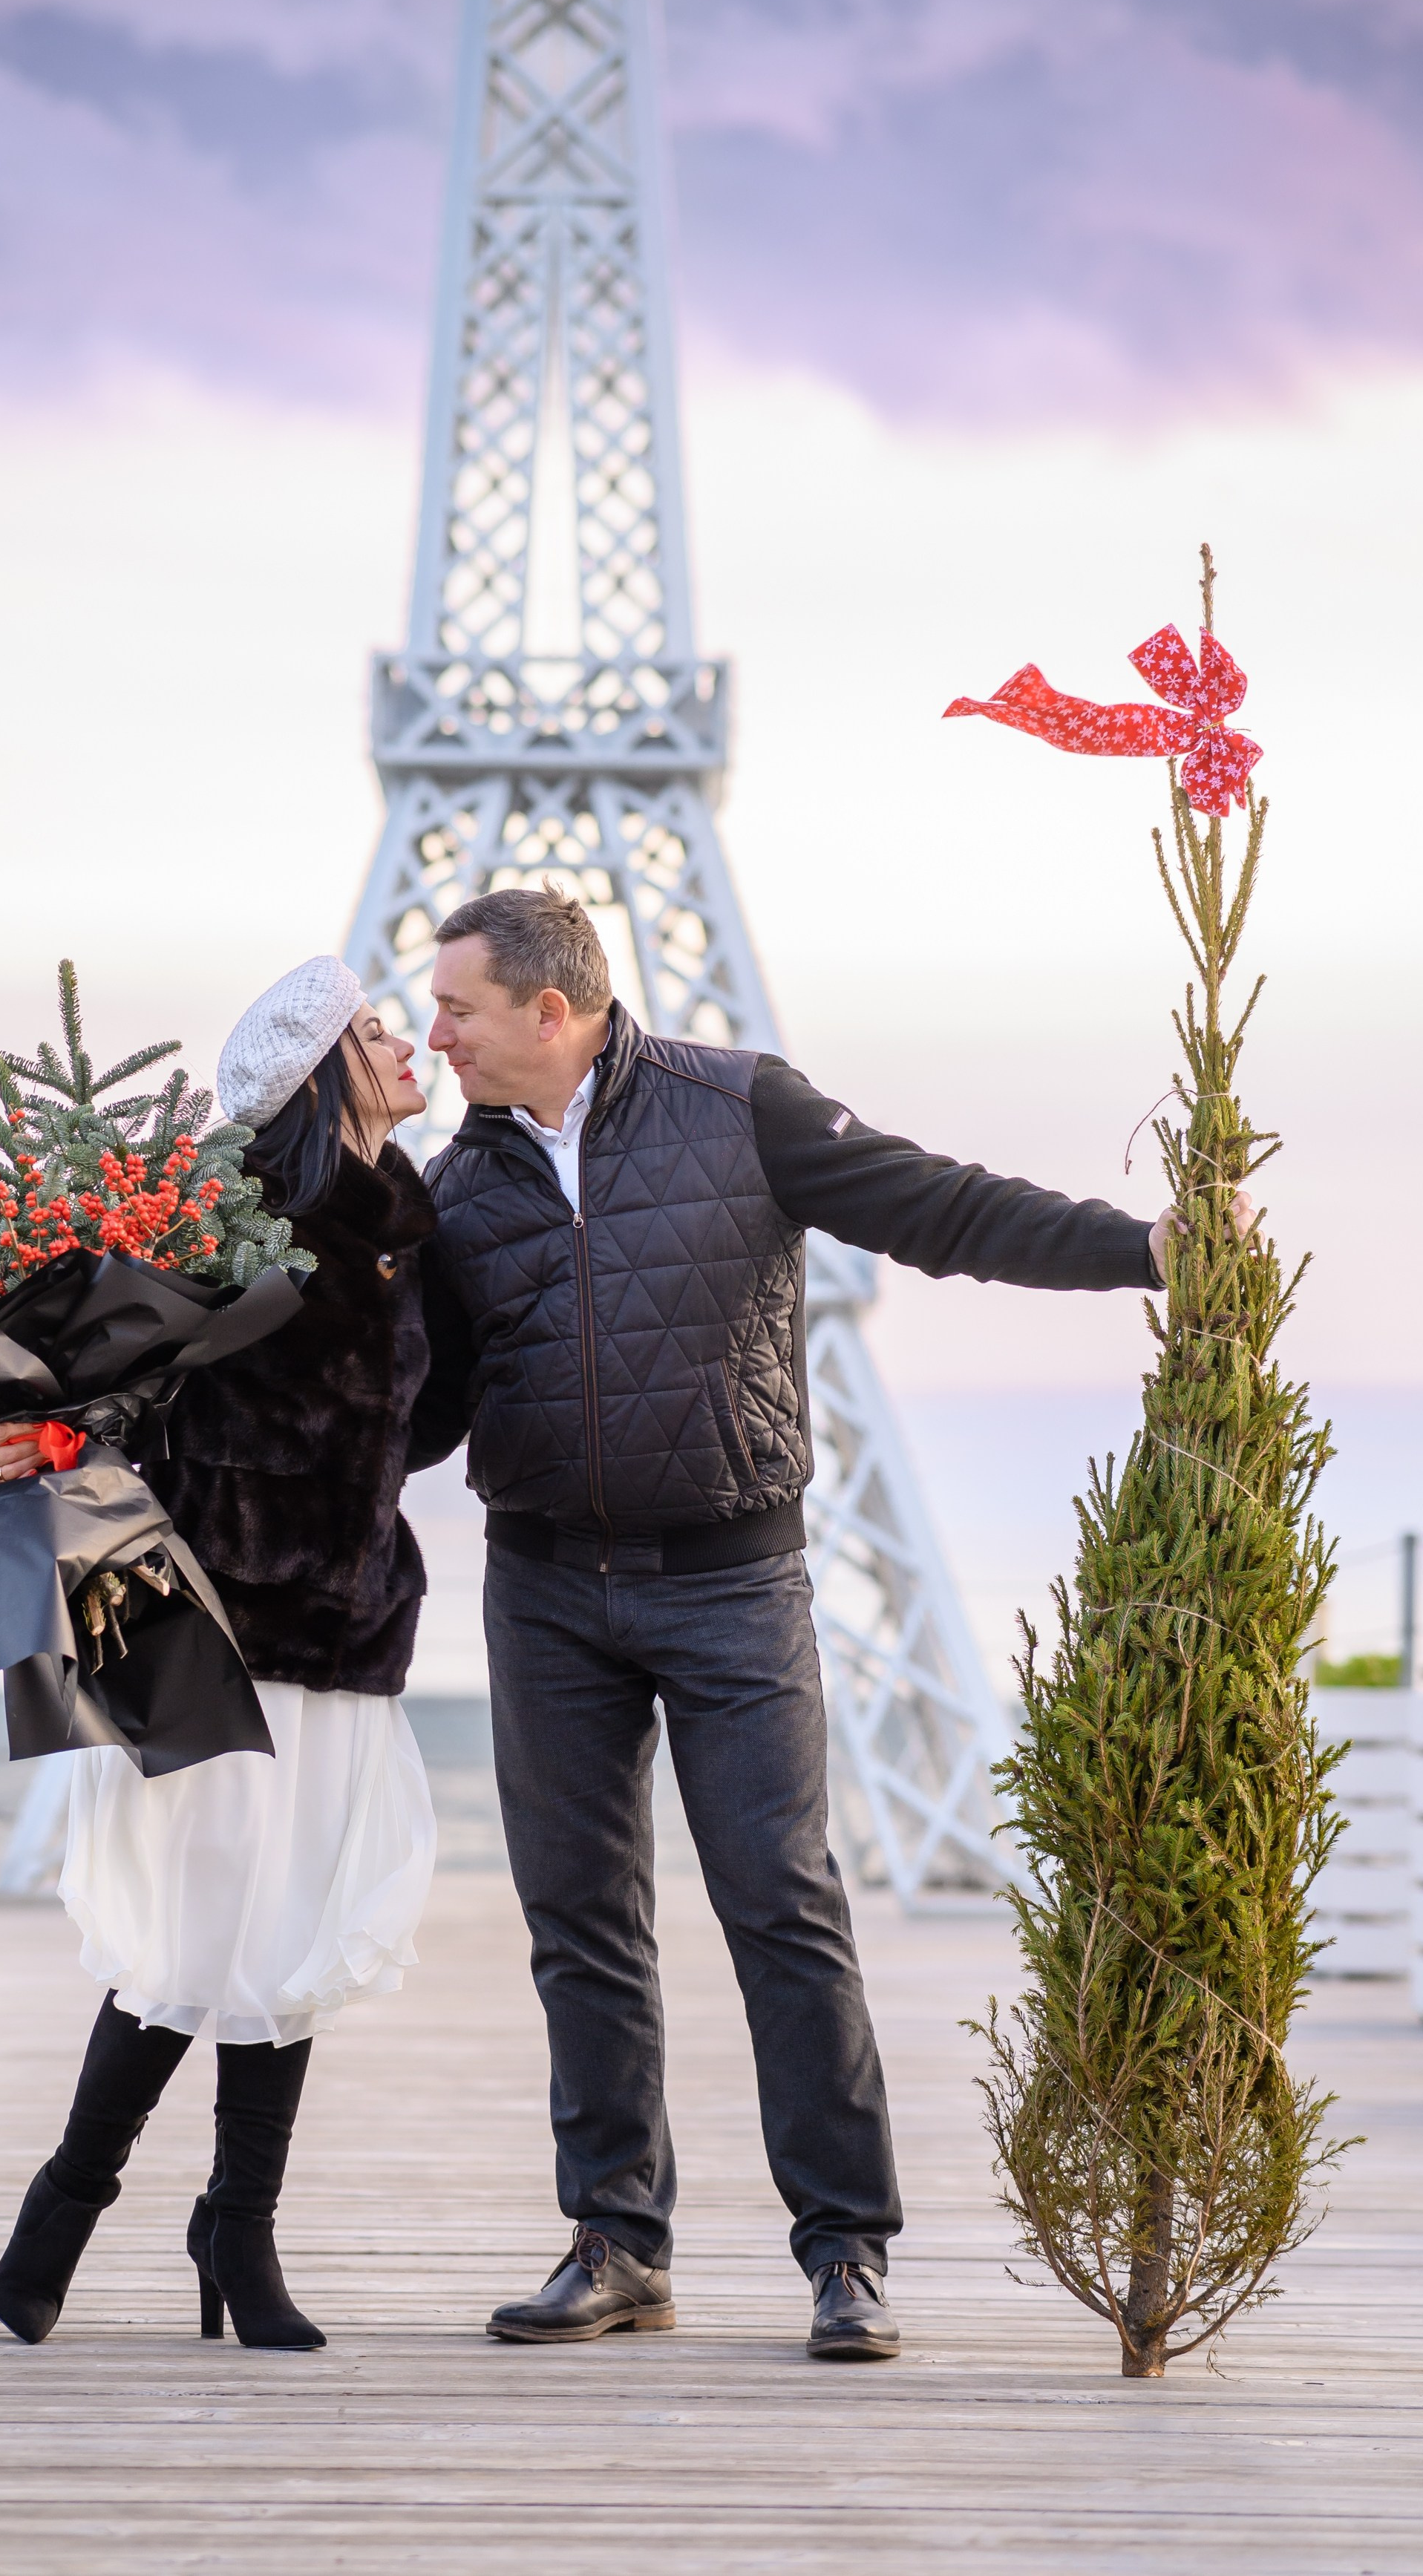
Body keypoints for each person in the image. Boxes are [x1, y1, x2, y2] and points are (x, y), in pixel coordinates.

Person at [412, 883, 1246, 2362]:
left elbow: (942, 1206)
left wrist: (1147, 1248)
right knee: (579, 1921)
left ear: (552, 1009)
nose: (437, 1035)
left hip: (732, 1578)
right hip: (541, 1584)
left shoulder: (742, 1107)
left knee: (781, 1904)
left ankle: (845, 2252)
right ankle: (615, 2241)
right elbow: (405, 1413)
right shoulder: (452, 1187)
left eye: (456, 1007)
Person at [0, 956, 447, 2351]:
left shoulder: (412, 1229)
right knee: (196, 1931)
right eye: (374, 1031)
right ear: (316, 1076)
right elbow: (74, 1379)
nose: (406, 1043)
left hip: (351, 1624)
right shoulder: (234, 1225)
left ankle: (238, 2231)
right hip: (210, 1619)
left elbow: (439, 1416)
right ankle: (68, 2205)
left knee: (287, 1930)